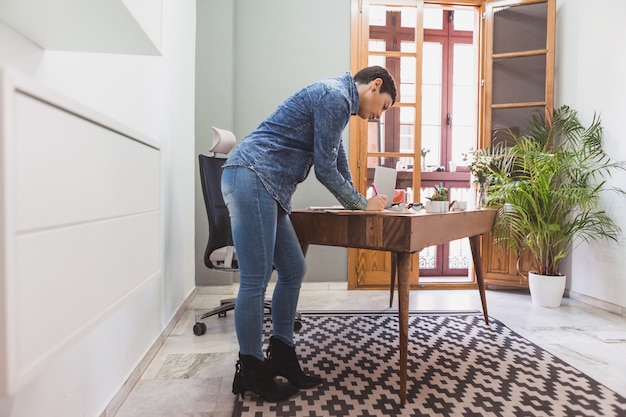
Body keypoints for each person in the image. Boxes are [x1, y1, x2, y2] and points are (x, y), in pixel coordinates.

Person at [222, 66, 397, 402]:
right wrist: (362, 205)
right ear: (376, 85)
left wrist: (361, 200)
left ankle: (283, 356)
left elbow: (336, 159)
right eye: (384, 106)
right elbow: (325, 169)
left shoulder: (338, 100)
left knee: (293, 269)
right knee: (255, 279)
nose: (378, 116)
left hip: (266, 185)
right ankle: (252, 370)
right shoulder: (334, 96)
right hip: (252, 176)